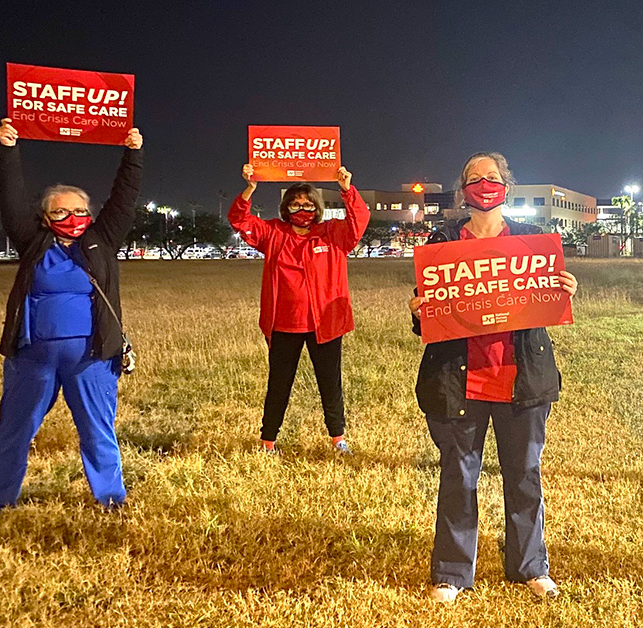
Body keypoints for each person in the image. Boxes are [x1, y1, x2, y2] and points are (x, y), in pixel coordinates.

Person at [408, 152, 578, 603]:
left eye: (492, 178)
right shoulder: (442, 241)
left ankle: (529, 566)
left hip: (521, 380)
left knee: (524, 475)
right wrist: (418, 311)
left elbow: (545, 301)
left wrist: (562, 291)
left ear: (508, 185)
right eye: (474, 178)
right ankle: (452, 572)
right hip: (457, 381)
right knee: (458, 479)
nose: (484, 185)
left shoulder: (532, 240)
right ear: (462, 189)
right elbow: (428, 317)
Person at [0, 118, 143, 512]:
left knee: (97, 432)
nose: (73, 217)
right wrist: (7, 149)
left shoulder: (101, 241)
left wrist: (133, 154)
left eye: (80, 210)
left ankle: (111, 499)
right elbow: (10, 198)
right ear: (44, 216)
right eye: (62, 211)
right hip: (32, 359)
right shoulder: (32, 241)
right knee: (14, 432)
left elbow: (125, 198)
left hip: (92, 359)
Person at [230, 163, 370, 454]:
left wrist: (347, 190)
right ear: (285, 207)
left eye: (307, 204)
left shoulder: (332, 233)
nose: (301, 208)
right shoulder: (272, 233)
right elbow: (239, 220)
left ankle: (338, 438)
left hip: (326, 324)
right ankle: (268, 441)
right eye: (294, 204)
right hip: (284, 324)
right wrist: (250, 188)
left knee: (330, 384)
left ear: (317, 207)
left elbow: (359, 222)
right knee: (279, 384)